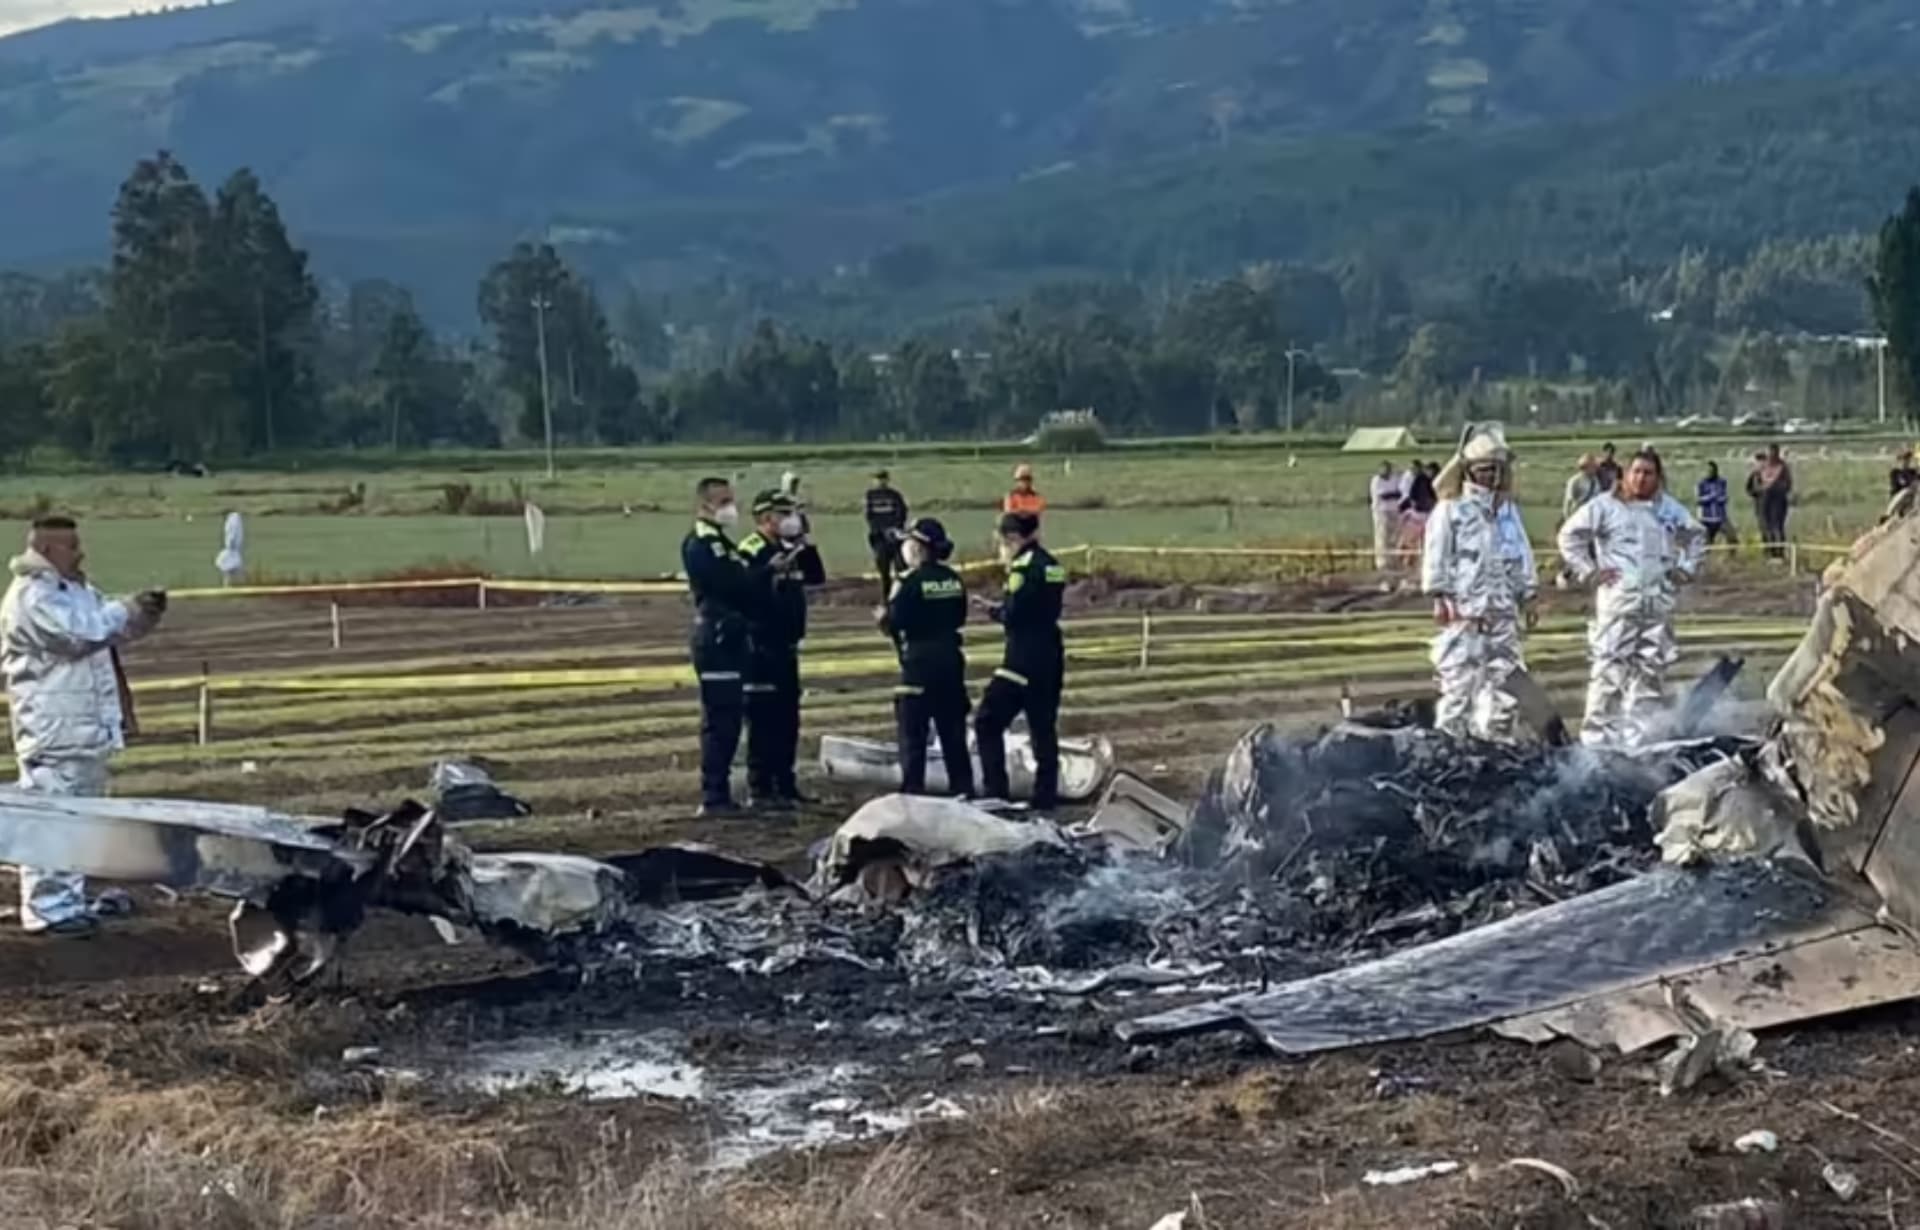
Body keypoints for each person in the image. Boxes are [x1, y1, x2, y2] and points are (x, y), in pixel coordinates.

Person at [1, 516, 166, 934]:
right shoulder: (32, 597)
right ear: (49, 551)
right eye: (72, 546)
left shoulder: (76, 592)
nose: (81, 553)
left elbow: (110, 633)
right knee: (53, 816)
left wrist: (143, 614)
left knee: (80, 818)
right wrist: (124, 608)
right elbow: (80, 634)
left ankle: (68, 901)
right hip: (53, 728)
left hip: (84, 726)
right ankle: (47, 909)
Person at [1558, 449, 1705, 748]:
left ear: (1658, 477)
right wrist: (1589, 571)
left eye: (1648, 472)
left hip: (1657, 606)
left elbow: (1696, 535)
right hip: (1618, 605)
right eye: (1636, 471)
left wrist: (1686, 569)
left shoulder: (1668, 509)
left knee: (1649, 676)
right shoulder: (1604, 506)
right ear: (1624, 475)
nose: (1641, 478)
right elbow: (1569, 536)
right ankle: (1599, 745)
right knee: (1609, 674)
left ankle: (1639, 743)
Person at [1421, 424, 1536, 744]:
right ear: (1469, 471)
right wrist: (1440, 597)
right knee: (1458, 685)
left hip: (1502, 612)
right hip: (1464, 613)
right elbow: (1436, 556)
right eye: (1484, 470)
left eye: (1496, 470)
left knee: (1506, 685)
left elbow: (1521, 553)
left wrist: (1527, 594)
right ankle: (1449, 748)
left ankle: (1498, 747)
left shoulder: (1507, 513)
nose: (1491, 477)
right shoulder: (1449, 511)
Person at [681, 477, 770, 817]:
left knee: (731, 719)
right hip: (715, 637)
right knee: (720, 720)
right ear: (705, 505)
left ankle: (722, 794)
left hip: (730, 636)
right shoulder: (703, 543)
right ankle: (714, 795)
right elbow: (730, 583)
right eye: (724, 501)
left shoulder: (721, 542)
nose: (731, 508)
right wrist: (759, 575)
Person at [738, 490, 825, 809]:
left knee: (788, 718)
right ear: (765, 518)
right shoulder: (752, 550)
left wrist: (806, 542)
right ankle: (760, 789)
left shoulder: (791, 548)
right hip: (760, 646)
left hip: (788, 645)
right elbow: (742, 589)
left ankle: (786, 785)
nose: (791, 518)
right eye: (784, 513)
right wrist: (769, 571)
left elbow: (816, 577)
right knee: (764, 719)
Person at [975, 511, 1066, 808]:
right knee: (1043, 726)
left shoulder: (1021, 569)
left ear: (1013, 539)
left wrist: (993, 611)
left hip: (1022, 657)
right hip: (1050, 653)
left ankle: (996, 792)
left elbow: (1015, 615)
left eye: (1002, 543)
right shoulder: (1052, 564)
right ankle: (1045, 795)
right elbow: (1041, 606)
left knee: (987, 721)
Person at [879, 518, 973, 797]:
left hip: (919, 663)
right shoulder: (953, 579)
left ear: (919, 547)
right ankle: (963, 791)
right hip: (950, 659)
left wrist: (883, 621)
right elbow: (960, 616)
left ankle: (913, 794)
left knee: (913, 736)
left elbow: (895, 621)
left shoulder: (908, 581)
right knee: (953, 734)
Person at [864, 469, 909, 601]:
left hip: (894, 538)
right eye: (877, 479)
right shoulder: (870, 496)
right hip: (879, 538)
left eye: (882, 478)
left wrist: (894, 529)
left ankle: (901, 596)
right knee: (884, 571)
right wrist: (878, 531)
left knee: (900, 569)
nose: (879, 481)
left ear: (887, 480)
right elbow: (870, 517)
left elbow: (902, 514)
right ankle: (886, 598)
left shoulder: (894, 495)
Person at [1752, 444, 1792, 560]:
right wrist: (1760, 490)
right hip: (1763, 501)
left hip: (1778, 501)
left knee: (1777, 527)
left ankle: (1779, 554)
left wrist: (1775, 487)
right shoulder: (1761, 467)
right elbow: (1753, 484)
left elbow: (1787, 485)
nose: (1771, 455)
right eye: (1770, 452)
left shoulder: (1783, 467)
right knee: (1765, 527)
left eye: (1774, 452)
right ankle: (1768, 552)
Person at [1396, 458, 1439, 567]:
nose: (1429, 473)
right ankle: (1406, 559)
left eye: (1431, 471)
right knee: (1411, 539)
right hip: (1418, 514)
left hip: (1431, 515)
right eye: (1428, 470)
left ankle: (1424, 561)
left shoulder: (1437, 481)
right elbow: (1412, 495)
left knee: (1427, 540)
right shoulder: (1420, 479)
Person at [1368, 461, 1403, 572]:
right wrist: (1393, 494)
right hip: (1381, 512)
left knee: (1394, 537)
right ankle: (1382, 563)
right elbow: (1383, 495)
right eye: (1384, 469)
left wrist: (1393, 494)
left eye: (1388, 469)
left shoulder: (1395, 478)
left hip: (1394, 510)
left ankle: (1394, 561)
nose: (1386, 471)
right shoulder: (1376, 480)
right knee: (1382, 537)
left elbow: (1399, 493)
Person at [1697, 461, 1733, 546]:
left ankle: (1731, 557)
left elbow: (1724, 496)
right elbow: (1699, 500)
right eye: (1708, 471)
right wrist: (1710, 497)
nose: (1709, 473)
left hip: (1720, 517)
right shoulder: (1701, 483)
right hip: (1707, 518)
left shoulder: (1722, 482)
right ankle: (1705, 557)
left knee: (1732, 537)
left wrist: (1722, 498)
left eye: (1711, 471)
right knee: (1707, 542)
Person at [1563, 455, 1600, 522]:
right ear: (1585, 467)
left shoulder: (1596, 481)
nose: (1596, 468)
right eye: (1593, 466)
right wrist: (1568, 520)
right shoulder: (1575, 481)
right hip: (1577, 516)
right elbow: (1569, 503)